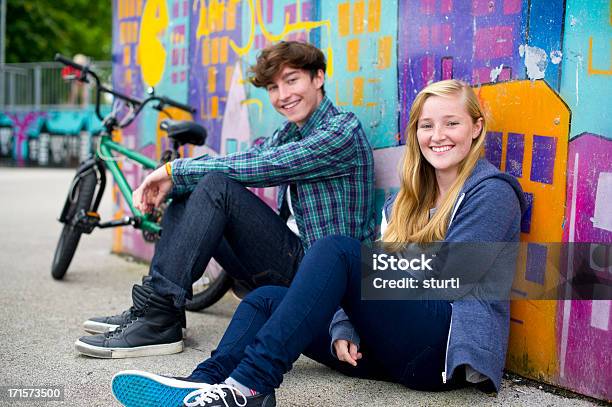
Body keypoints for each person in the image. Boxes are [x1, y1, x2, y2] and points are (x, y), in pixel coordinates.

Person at [109, 79, 526, 406]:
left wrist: (360, 293)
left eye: (451, 123)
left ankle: (250, 385)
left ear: (476, 128)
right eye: (427, 125)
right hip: (393, 350)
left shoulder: (490, 193)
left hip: (441, 352)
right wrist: (346, 322)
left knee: (337, 250)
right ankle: (203, 385)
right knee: (265, 299)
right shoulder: (405, 202)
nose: (438, 135)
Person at [75, 41, 376, 358]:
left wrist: (173, 170)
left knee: (214, 186)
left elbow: (264, 167)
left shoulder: (341, 131)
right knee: (190, 189)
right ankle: (159, 311)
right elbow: (248, 157)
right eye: (273, 87)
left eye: (292, 80)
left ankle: (157, 317)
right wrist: (174, 183)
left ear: (318, 78)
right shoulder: (290, 133)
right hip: (293, 264)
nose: (283, 95)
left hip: (326, 276)